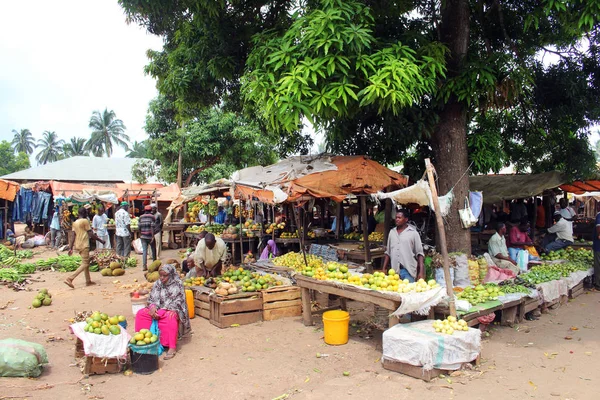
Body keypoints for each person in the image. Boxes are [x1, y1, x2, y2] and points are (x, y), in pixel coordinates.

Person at [135, 264, 191, 360]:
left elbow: (178, 302)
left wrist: (163, 310)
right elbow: (153, 298)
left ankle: (172, 347)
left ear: (171, 275)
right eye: (160, 275)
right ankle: (143, 340)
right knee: (140, 313)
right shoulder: (158, 283)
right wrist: (153, 307)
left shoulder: (178, 284)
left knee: (170, 317)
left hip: (172, 309)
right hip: (158, 308)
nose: (162, 278)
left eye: (165, 276)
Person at [64, 208, 105, 288]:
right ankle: (70, 278)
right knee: (85, 263)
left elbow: (73, 236)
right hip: (84, 244)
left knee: (86, 262)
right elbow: (91, 234)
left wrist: (71, 247)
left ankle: (88, 281)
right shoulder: (85, 221)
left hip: (78, 245)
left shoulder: (75, 223)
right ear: (84, 213)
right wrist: (100, 240)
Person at [382, 209, 424, 282]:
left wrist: (421, 272)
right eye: (396, 217)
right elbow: (388, 252)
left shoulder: (413, 233)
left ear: (406, 219)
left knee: (409, 291)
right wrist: (384, 268)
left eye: (399, 218)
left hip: (408, 270)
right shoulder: (392, 232)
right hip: (394, 271)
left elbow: (420, 253)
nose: (397, 219)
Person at [139, 205, 156, 271]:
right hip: (149, 236)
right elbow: (152, 226)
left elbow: (139, 227)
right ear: (150, 210)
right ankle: (154, 264)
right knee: (153, 250)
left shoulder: (141, 217)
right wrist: (152, 236)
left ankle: (144, 266)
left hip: (143, 236)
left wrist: (140, 234)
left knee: (144, 251)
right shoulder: (152, 217)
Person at [593, 210, 600, 291]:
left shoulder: (599, 215)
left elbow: (598, 226)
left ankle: (598, 284)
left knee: (598, 264)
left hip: (598, 246)